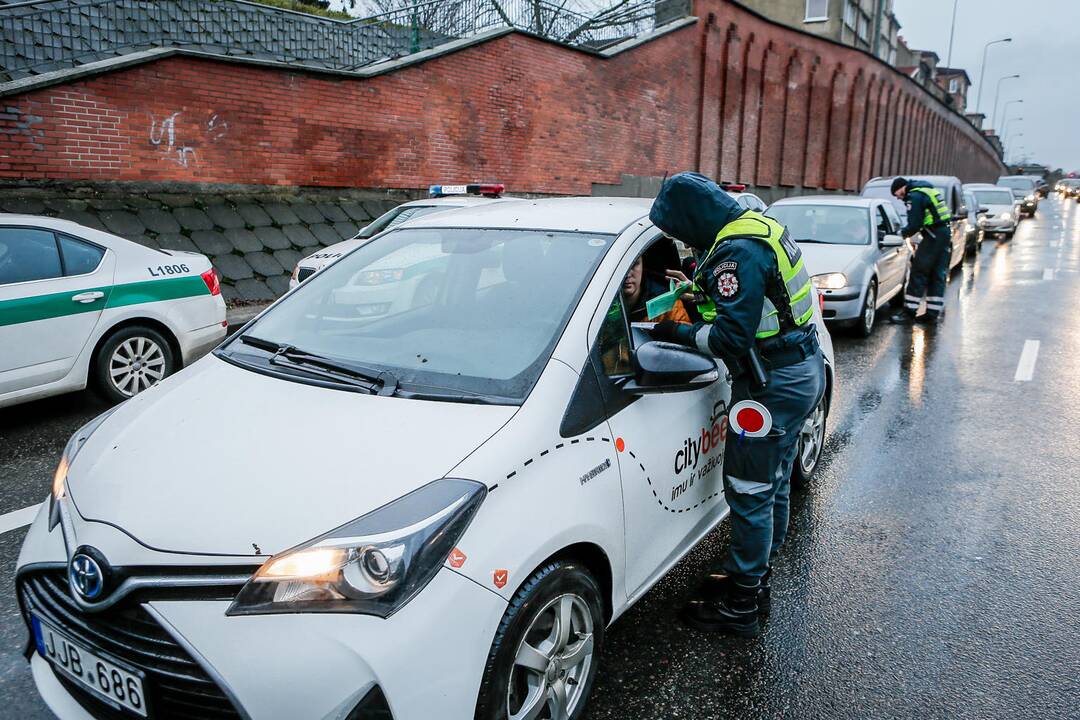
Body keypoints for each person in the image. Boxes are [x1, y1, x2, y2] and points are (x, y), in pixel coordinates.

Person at [649, 172, 825, 637]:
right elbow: (757, 297)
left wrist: (676, 331)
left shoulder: (737, 252)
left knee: (749, 489)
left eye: (680, 231)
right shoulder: (753, 225)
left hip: (772, 385)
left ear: (693, 219)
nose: (682, 240)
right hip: (799, 370)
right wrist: (697, 285)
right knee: (775, 479)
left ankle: (742, 605)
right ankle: (757, 577)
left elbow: (730, 337)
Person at [888, 177, 953, 324]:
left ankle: (909, 313)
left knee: (918, 271)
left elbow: (914, 224)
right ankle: (932, 313)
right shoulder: (927, 190)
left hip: (933, 235)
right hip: (943, 234)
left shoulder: (914, 196)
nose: (898, 198)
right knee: (937, 273)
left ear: (902, 188)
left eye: (896, 194)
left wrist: (900, 235)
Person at [621, 253, 691, 324]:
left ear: (643, 265)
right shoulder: (609, 299)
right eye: (620, 266)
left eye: (634, 264)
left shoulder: (667, 303)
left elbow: (686, 331)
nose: (627, 274)